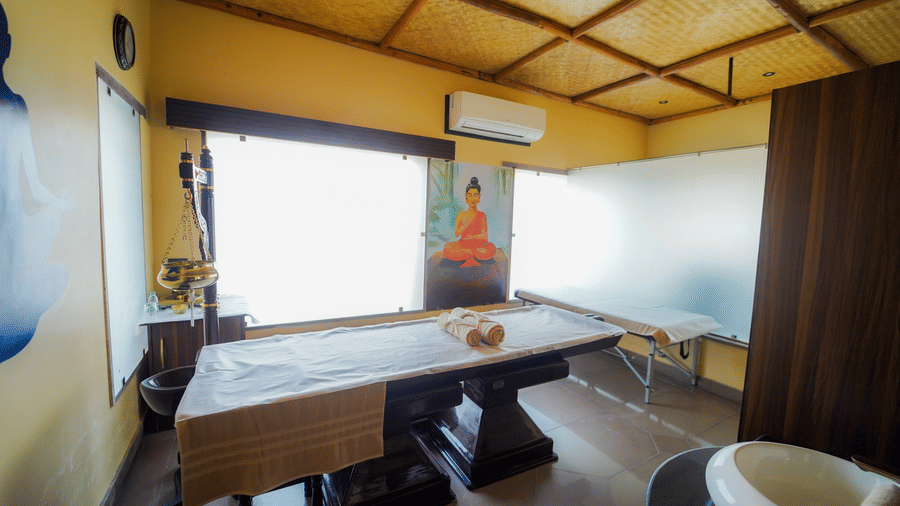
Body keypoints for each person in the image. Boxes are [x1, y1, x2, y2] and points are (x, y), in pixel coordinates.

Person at [1, 1, 72, 363]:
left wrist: (58, 205)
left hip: (13, 226)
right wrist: (59, 204)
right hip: (12, 224)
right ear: (8, 45)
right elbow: (34, 186)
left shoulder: (15, 105)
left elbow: (33, 186)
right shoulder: (15, 105)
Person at [442, 177, 496, 267]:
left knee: (491, 248)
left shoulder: (481, 215)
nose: (472, 199)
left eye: (475, 195)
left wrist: (471, 237)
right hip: (463, 245)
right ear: (466, 196)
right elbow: (456, 234)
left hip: (478, 246)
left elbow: (484, 237)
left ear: (479, 197)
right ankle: (469, 254)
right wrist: (465, 226)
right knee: (447, 249)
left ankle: (468, 254)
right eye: (470, 195)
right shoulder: (461, 214)